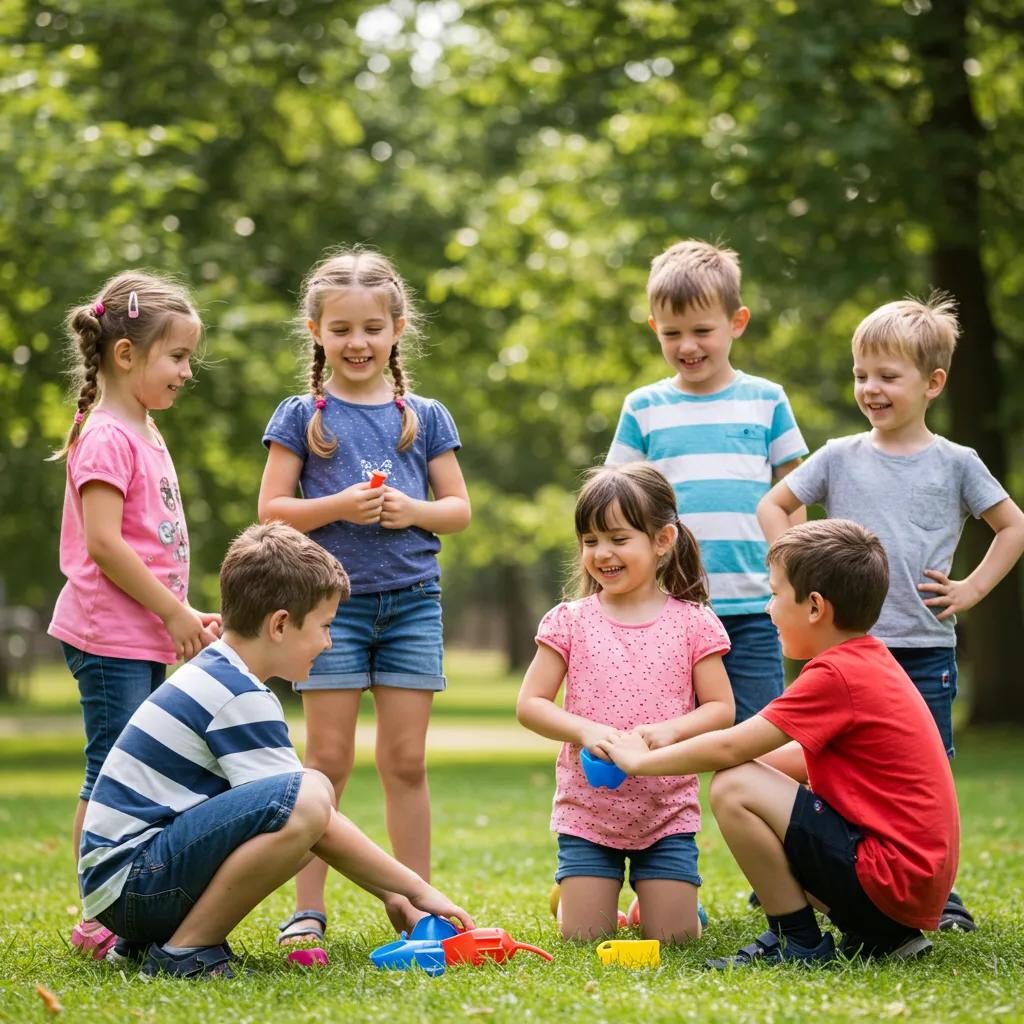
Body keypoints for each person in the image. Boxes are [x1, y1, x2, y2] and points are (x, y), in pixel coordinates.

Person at [79, 522, 474, 979]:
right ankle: (186, 951)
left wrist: (394, 894)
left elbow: (313, 824)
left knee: (306, 812)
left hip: (126, 889)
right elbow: (311, 812)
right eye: (325, 626)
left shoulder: (221, 674)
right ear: (281, 624)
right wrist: (415, 892)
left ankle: (151, 941)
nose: (328, 642)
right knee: (309, 798)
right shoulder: (236, 693)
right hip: (135, 885)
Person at [757, 294, 1024, 931]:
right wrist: (793, 571)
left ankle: (939, 892)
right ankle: (813, 861)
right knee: (826, 765)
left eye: (887, 376)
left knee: (922, 774)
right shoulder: (839, 455)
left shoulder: (957, 463)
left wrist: (972, 589)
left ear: (933, 383)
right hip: (839, 652)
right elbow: (775, 505)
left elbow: (1011, 526)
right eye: (860, 374)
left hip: (921, 650)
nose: (870, 389)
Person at [606, 519, 960, 966]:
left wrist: (637, 762)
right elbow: (792, 758)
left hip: (887, 884)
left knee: (733, 787)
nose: (769, 609)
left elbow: (733, 749)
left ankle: (799, 941)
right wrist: (668, 747)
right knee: (746, 777)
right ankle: (883, 937)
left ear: (814, 607)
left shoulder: (835, 675)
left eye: (775, 593)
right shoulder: (870, 660)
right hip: (904, 890)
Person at [258, 247, 470, 947]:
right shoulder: (302, 416)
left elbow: (458, 510)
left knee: (405, 762)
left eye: (373, 328)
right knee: (327, 763)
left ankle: (417, 905)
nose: (359, 343)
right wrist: (339, 507)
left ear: (397, 328)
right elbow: (271, 510)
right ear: (316, 330)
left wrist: (411, 510)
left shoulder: (425, 415)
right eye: (343, 329)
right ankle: (307, 908)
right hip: (330, 614)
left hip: (411, 603)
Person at [47, 272, 220, 960]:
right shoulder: (109, 435)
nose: (185, 372)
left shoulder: (141, 428)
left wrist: (183, 612)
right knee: (111, 773)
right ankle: (97, 912)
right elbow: (105, 543)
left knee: (142, 771)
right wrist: (173, 612)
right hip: (108, 635)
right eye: (176, 357)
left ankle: (129, 895)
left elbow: (151, 541)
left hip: (143, 632)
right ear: (126, 355)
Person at [516, 463, 734, 944]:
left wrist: (669, 732)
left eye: (617, 538)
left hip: (665, 810)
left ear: (662, 540)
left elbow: (720, 708)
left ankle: (655, 901)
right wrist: (586, 731)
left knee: (676, 939)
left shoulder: (694, 623)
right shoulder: (569, 620)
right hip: (588, 811)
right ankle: (577, 892)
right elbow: (531, 703)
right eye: (590, 540)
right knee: (581, 937)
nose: (602, 553)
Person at [605, 239, 807, 725]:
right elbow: (616, 498)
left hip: (757, 607)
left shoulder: (767, 400)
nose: (688, 346)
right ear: (654, 328)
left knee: (756, 735)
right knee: (661, 732)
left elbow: (794, 492)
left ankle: (749, 804)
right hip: (669, 605)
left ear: (737, 322)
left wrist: (799, 573)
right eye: (672, 333)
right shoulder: (643, 408)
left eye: (702, 330)